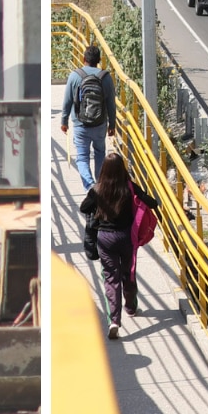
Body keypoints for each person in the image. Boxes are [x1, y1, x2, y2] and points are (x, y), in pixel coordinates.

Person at [79, 153, 150, 340]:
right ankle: (131, 307)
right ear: (122, 169)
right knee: (129, 273)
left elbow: (84, 208)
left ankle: (114, 321)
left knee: (111, 278)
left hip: (105, 239)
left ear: (104, 169)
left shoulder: (97, 189)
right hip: (127, 237)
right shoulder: (129, 187)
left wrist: (98, 209)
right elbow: (151, 202)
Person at [59, 44, 116, 189]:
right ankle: (100, 185)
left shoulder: (74, 76)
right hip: (100, 124)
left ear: (83, 58)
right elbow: (111, 103)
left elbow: (67, 101)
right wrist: (112, 125)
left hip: (80, 125)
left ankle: (90, 187)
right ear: (99, 60)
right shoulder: (106, 77)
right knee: (99, 154)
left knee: (82, 158)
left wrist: (64, 121)